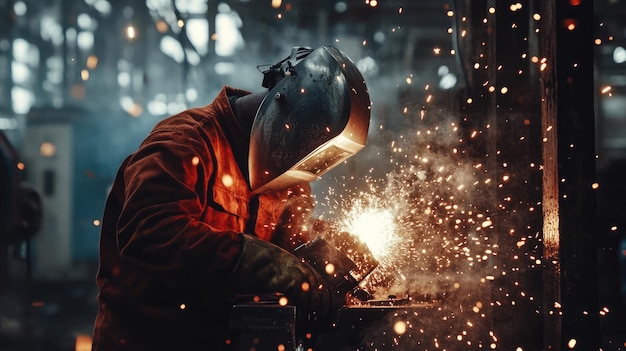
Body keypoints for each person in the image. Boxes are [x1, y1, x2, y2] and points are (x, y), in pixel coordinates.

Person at [92, 45, 371, 351]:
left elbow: (291, 245)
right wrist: (258, 260)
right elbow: (150, 235)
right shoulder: (185, 143)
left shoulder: (285, 171)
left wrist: (325, 253)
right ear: (282, 100)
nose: (298, 163)